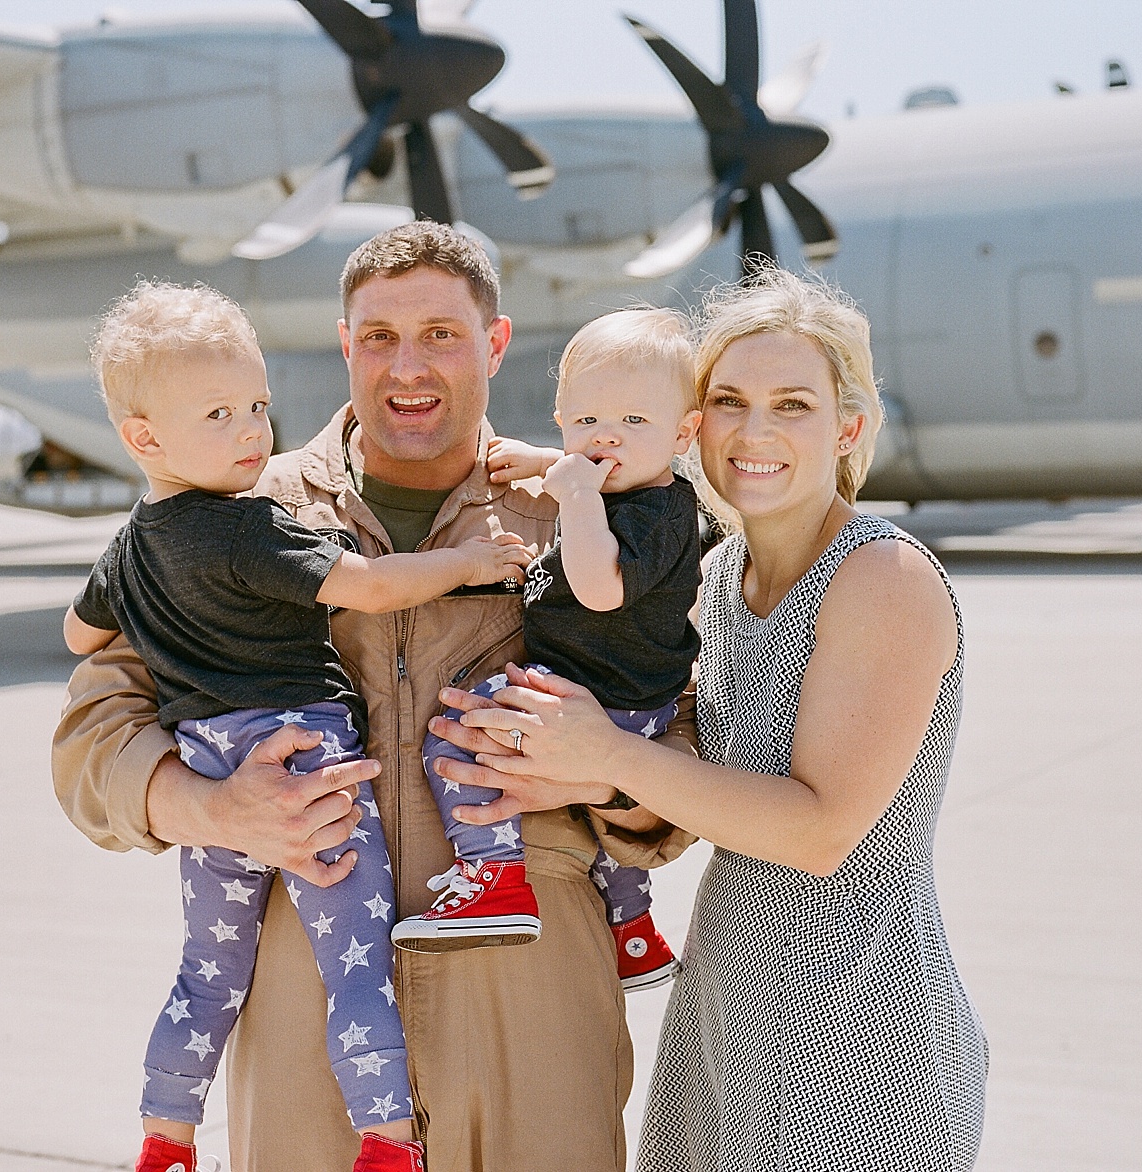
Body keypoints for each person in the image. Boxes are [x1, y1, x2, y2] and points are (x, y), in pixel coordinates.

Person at [52, 222, 697, 1172]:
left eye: (442, 333)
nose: (410, 365)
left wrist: (600, 770)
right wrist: (212, 806)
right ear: (346, 344)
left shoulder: (588, 510)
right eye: (381, 336)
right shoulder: (226, 508)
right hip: (305, 1021)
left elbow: (683, 739)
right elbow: (91, 735)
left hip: (533, 1011)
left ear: (495, 344)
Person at [432, 266, 990, 1169]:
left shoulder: (882, 579)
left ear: (848, 427)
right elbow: (691, 789)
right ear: (696, 421)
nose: (755, 429)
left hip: (861, 1042)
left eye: (794, 404)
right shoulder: (717, 578)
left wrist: (609, 751)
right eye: (730, 398)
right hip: (723, 1025)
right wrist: (586, 771)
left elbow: (819, 831)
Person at [62, 281, 532, 1172]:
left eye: (257, 407)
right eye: (220, 414)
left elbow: (78, 633)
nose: (250, 431)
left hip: (215, 759)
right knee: (353, 967)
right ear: (144, 437)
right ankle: (388, 1141)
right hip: (309, 760)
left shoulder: (126, 547)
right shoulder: (255, 527)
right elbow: (370, 585)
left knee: (206, 972)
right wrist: (470, 560)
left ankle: (165, 1136)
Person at [388, 308, 700, 995]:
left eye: (635, 424)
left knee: (456, 741)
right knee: (604, 843)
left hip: (600, 702)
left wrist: (577, 495)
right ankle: (634, 933)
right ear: (562, 418)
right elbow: (589, 465)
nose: (605, 438)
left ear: (685, 433)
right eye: (586, 422)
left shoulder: (656, 512)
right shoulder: (631, 482)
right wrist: (551, 465)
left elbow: (596, 588)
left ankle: (493, 879)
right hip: (631, 697)